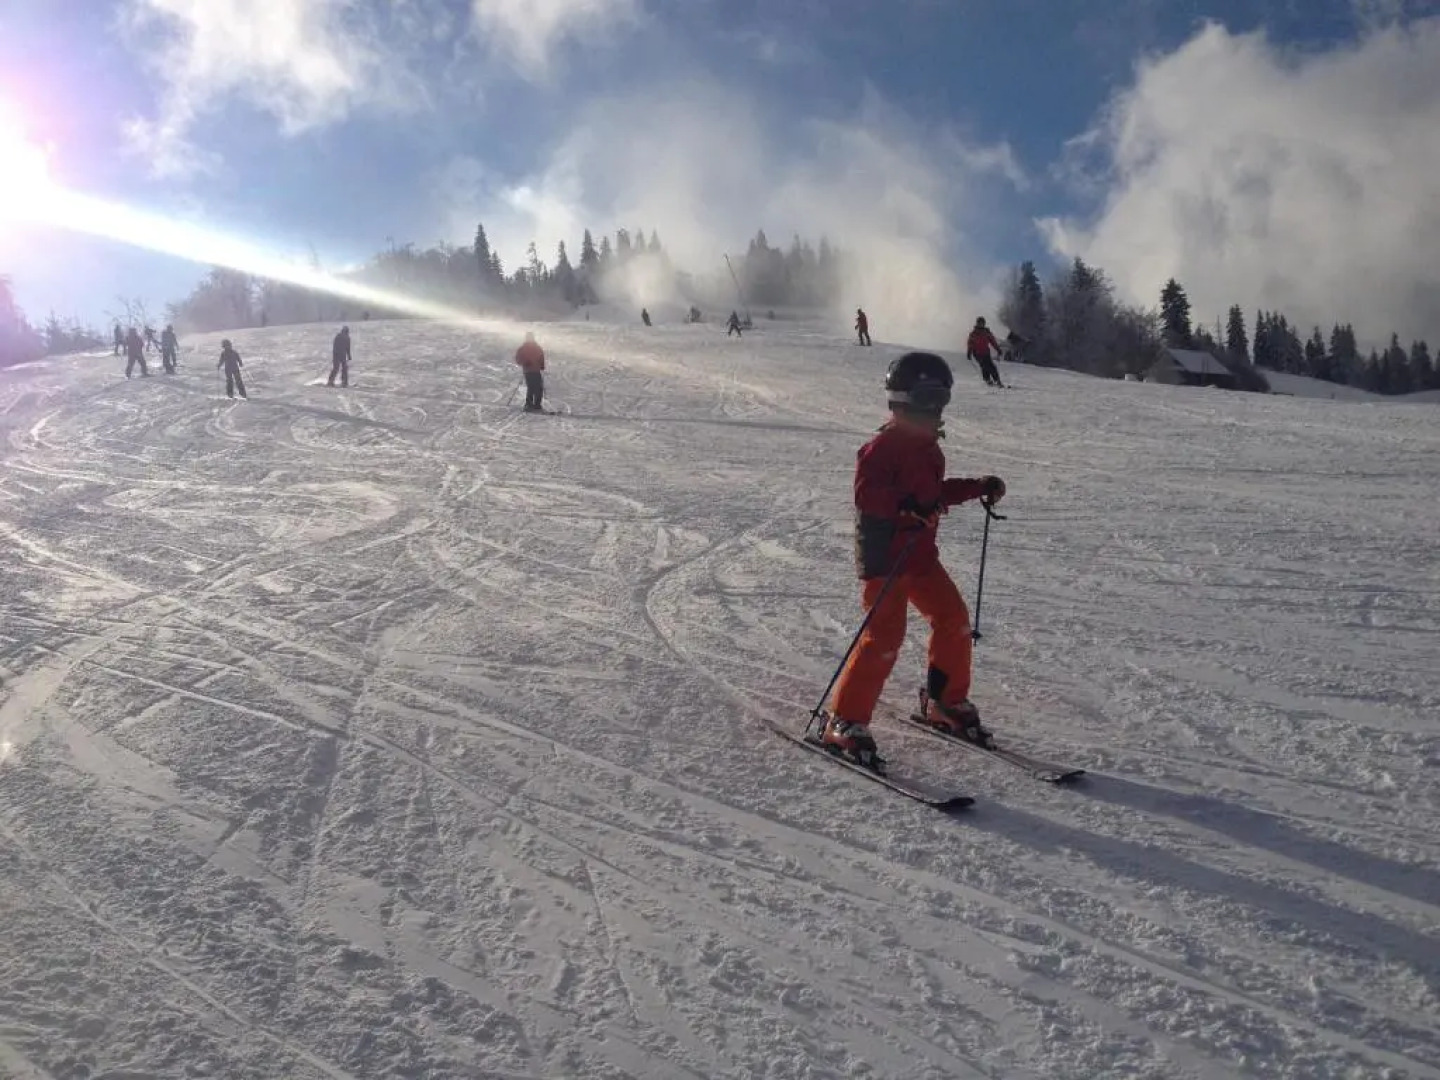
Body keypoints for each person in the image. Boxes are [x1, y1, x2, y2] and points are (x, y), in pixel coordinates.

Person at [820, 351, 1006, 767]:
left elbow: (933, 495)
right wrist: (905, 505)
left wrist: (977, 487)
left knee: (954, 621)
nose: (936, 408)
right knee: (884, 638)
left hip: (921, 557)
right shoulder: (881, 447)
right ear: (903, 398)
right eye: (928, 397)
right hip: (886, 558)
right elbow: (867, 496)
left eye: (942, 397)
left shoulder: (929, 450)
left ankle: (944, 700)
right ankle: (844, 720)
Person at [966, 317, 1005, 388]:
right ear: (977, 324)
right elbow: (970, 343)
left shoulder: (987, 332)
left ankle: (997, 380)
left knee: (991, 366)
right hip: (977, 353)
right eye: (979, 323)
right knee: (984, 365)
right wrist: (969, 352)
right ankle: (987, 379)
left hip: (986, 352)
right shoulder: (974, 333)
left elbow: (993, 341)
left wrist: (998, 349)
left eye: (982, 323)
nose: (981, 325)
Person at [515, 331, 546, 412]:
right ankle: (529, 404)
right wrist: (524, 362)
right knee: (531, 387)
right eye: (529, 338)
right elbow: (518, 358)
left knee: (539, 388)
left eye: (531, 337)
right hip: (528, 370)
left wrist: (542, 364)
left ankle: (537, 405)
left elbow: (541, 355)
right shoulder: (523, 348)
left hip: (536, 369)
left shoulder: (537, 347)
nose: (530, 339)